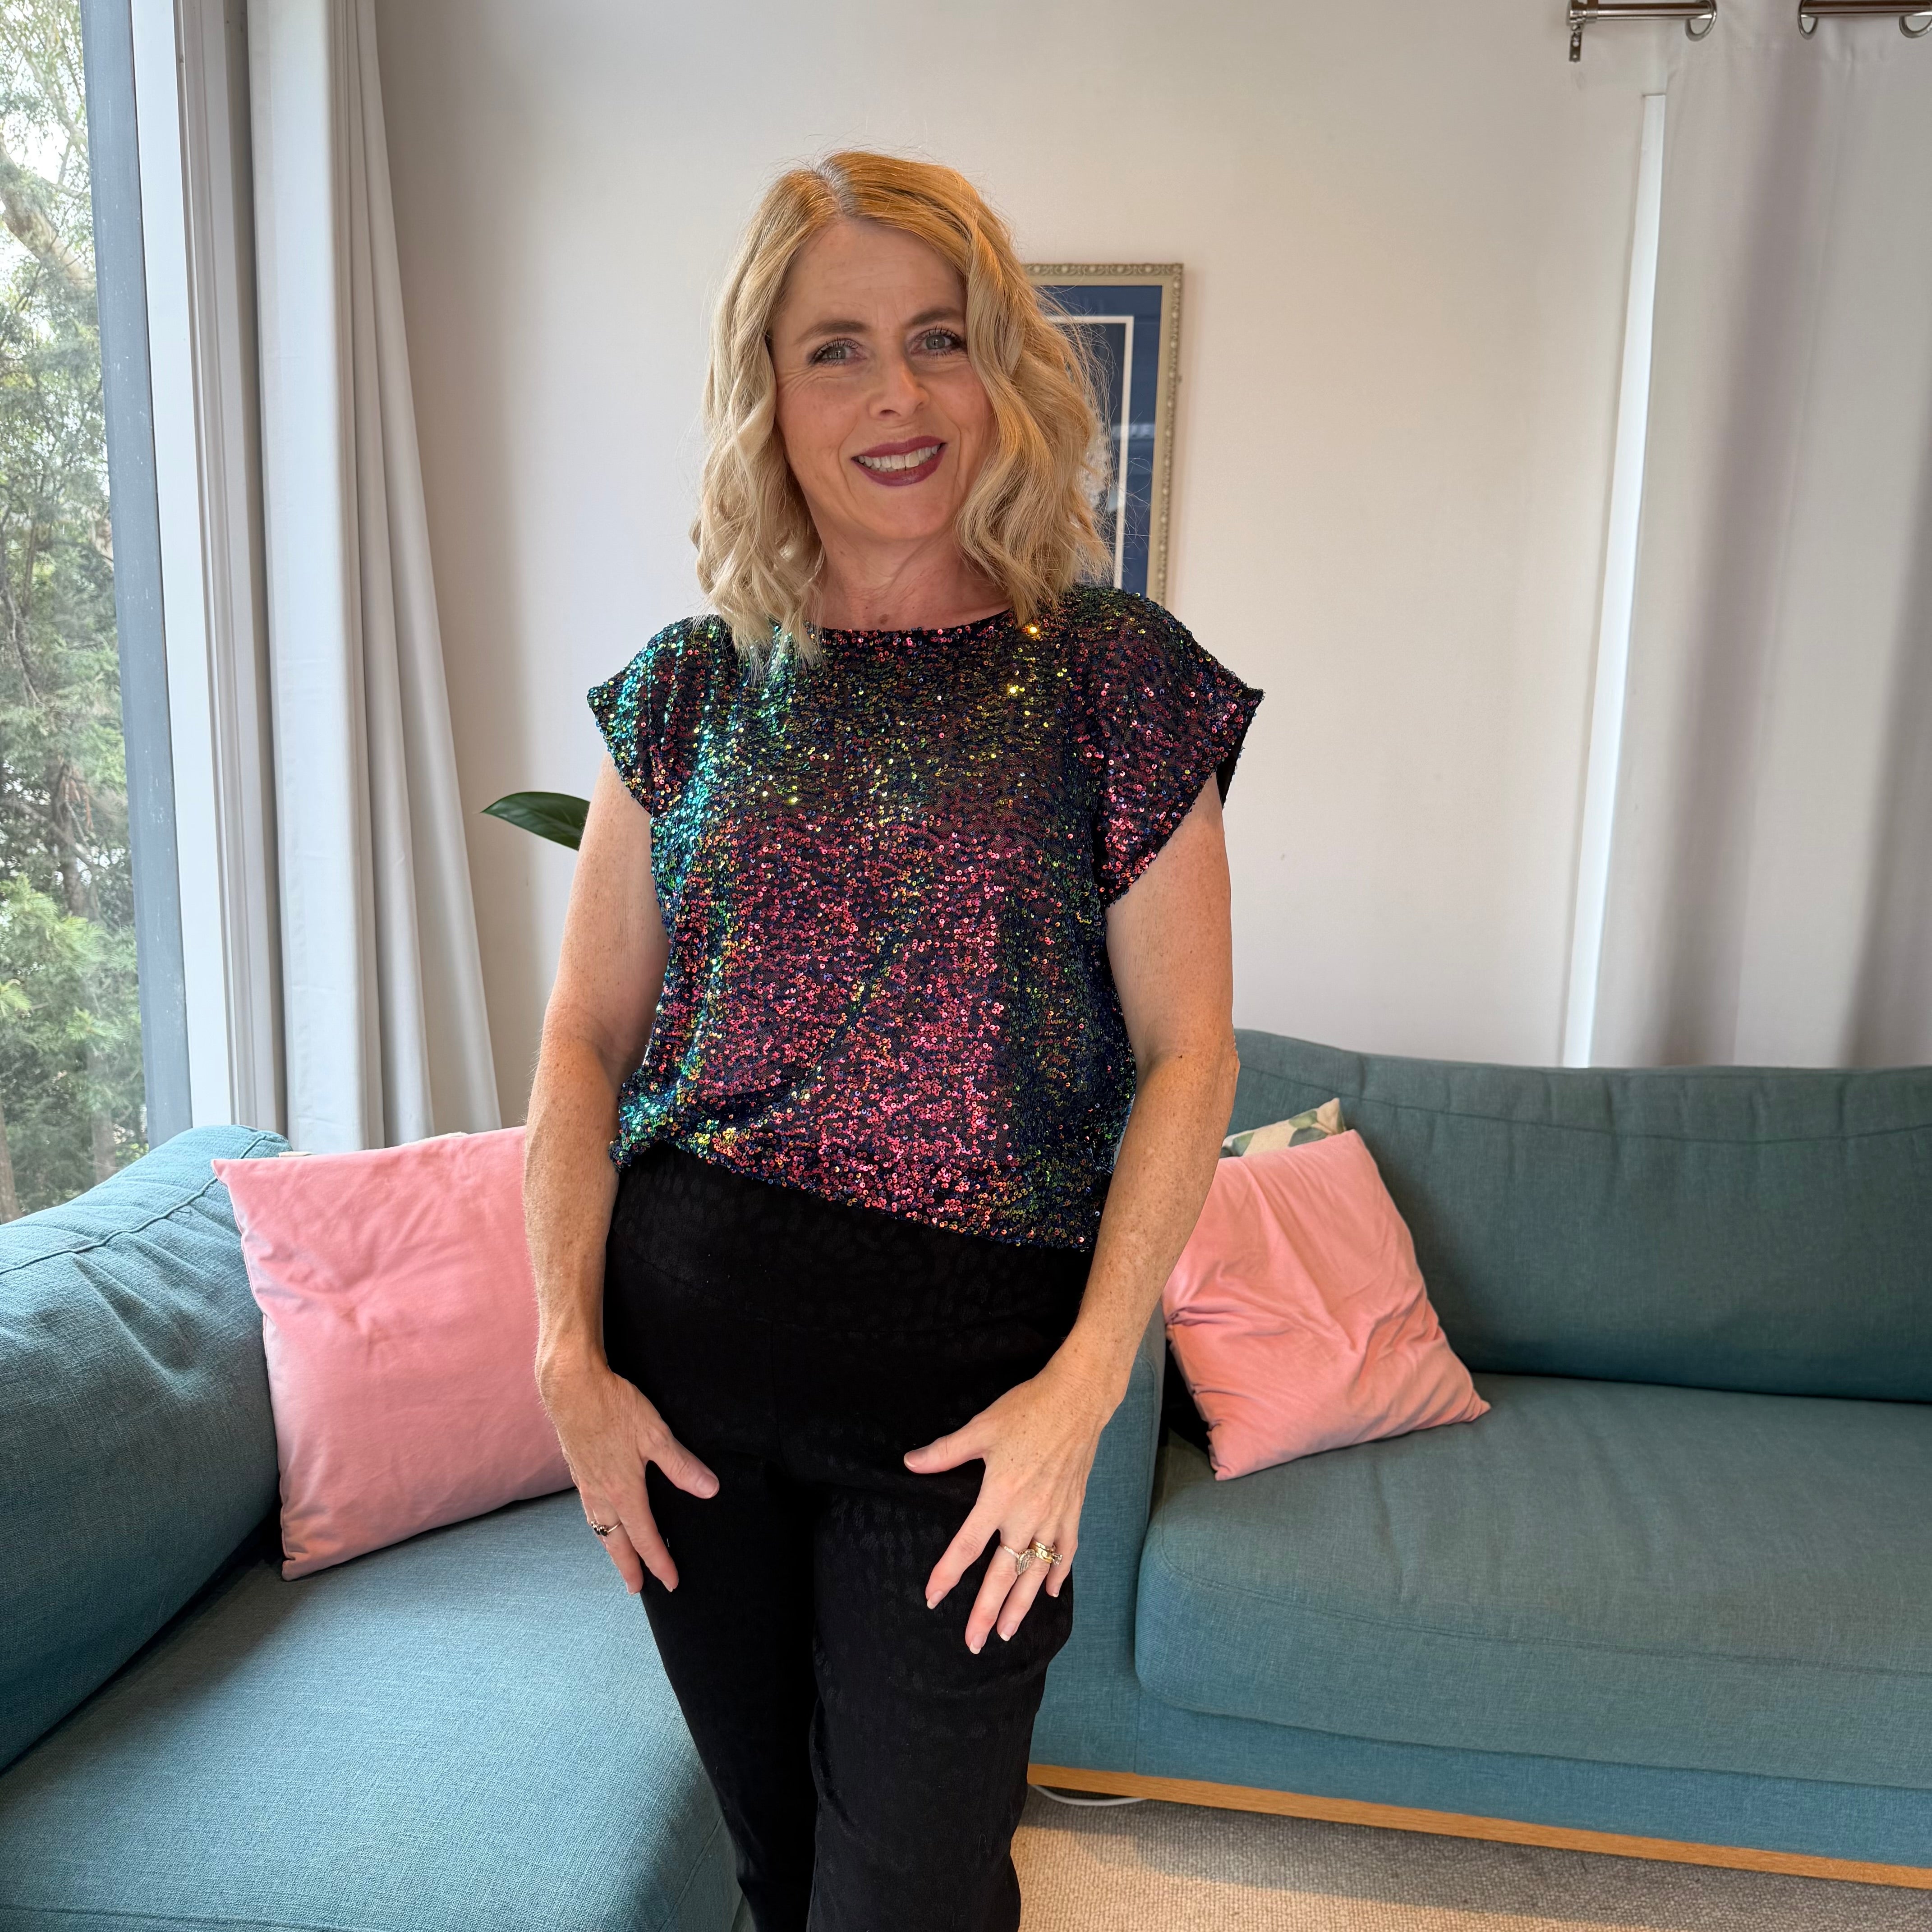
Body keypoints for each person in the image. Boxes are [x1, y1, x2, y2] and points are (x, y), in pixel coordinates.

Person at [524, 150, 1262, 1932]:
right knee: (779, 1871)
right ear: (767, 396)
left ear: (1003, 370)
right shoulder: (686, 687)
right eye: (835, 349)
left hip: (971, 1401)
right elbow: (583, 1038)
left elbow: (1191, 1056)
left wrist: (1086, 1392)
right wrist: (565, 1357)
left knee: (911, 1893)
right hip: (687, 1385)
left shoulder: (1114, 676)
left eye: (940, 338)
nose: (898, 396)